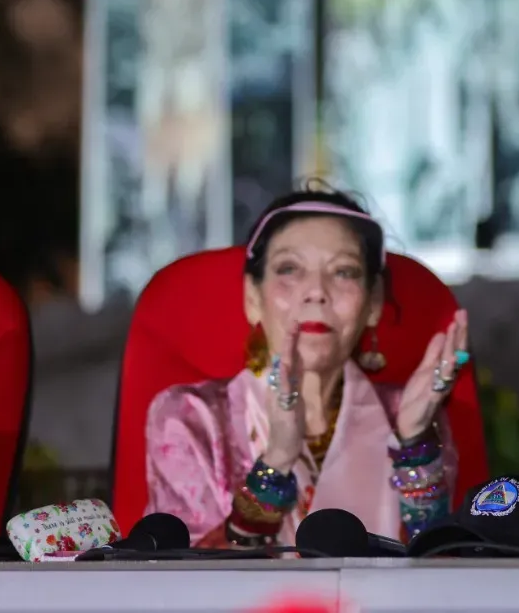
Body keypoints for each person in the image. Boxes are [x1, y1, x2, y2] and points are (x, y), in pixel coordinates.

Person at [145, 188, 470, 549]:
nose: (316, 291)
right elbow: (180, 583)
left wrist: (413, 444)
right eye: (289, 269)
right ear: (253, 298)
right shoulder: (191, 418)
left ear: (373, 302)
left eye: (343, 272)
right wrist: (276, 464)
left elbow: (438, 571)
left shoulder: (413, 415)